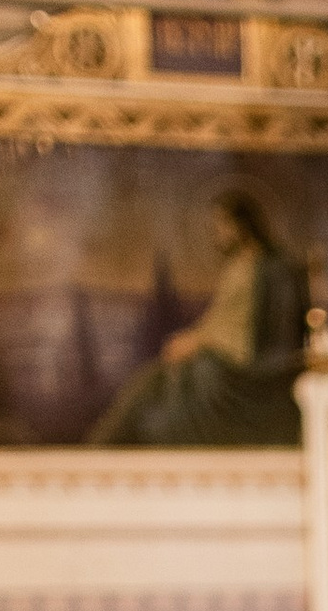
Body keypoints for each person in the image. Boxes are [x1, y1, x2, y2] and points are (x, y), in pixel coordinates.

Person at [86, 189, 308, 448]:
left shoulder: (271, 267)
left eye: (222, 225)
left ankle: (117, 438)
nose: (218, 233)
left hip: (241, 364)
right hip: (220, 352)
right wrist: (193, 339)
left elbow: (251, 330)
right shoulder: (240, 265)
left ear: (242, 224)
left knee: (188, 377)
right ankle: (105, 440)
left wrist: (198, 342)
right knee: (150, 383)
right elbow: (220, 318)